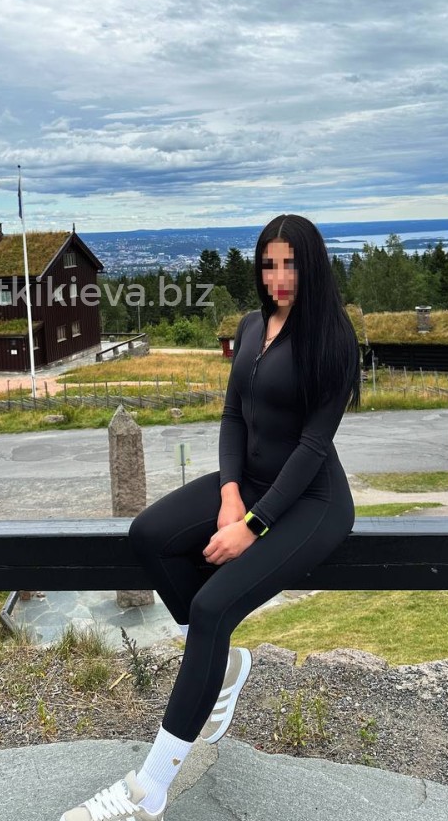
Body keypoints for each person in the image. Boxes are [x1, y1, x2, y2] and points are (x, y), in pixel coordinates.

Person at [59, 213, 361, 821]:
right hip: (247, 485)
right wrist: (228, 493)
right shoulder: (252, 326)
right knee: (148, 535)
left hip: (312, 501)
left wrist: (254, 526)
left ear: (312, 266)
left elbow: (311, 448)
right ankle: (220, 663)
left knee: (211, 607)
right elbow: (232, 416)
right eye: (268, 264)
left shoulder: (333, 341)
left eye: (291, 264)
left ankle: (149, 789)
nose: (278, 277)